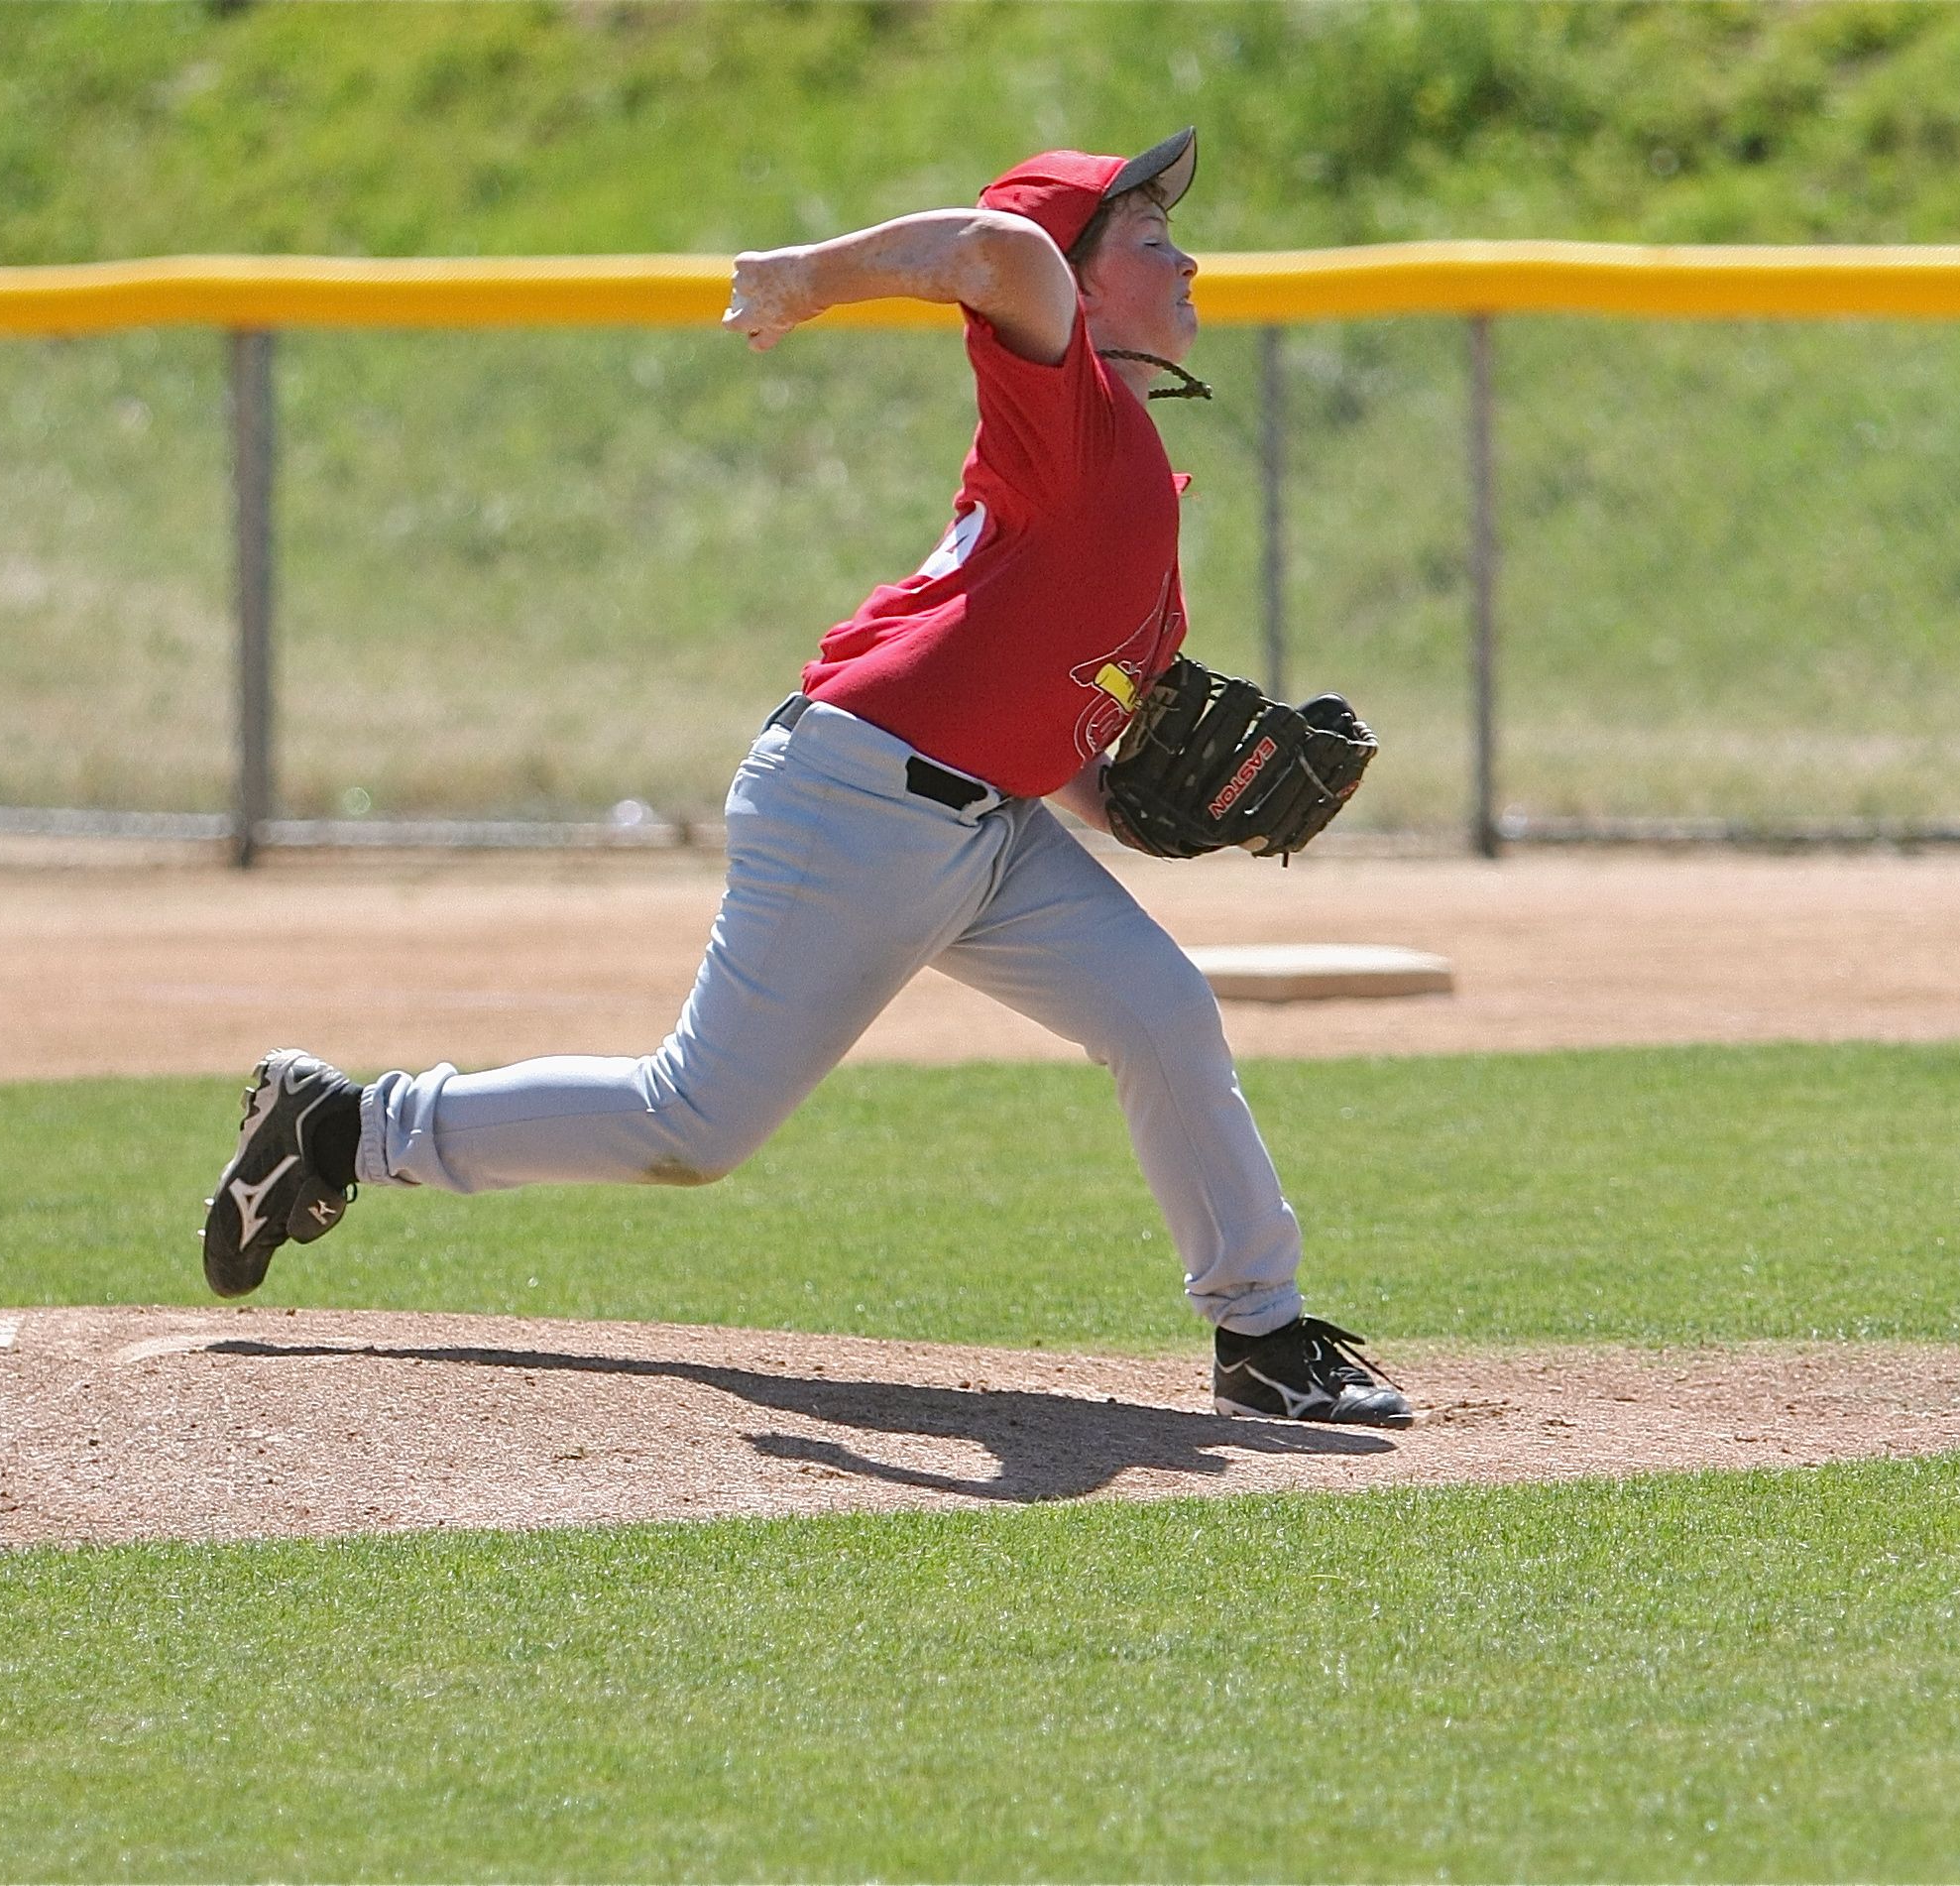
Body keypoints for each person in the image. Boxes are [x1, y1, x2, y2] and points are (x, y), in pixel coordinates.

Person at [202, 128, 1412, 1428]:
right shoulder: (1064, 407)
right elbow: (995, 247)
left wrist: (1127, 810)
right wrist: (804, 278)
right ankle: (345, 1127)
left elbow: (1050, 705)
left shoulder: (1129, 479)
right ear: (1078, 282)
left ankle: (1262, 1336)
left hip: (983, 827)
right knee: (692, 1123)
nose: (1188, 262)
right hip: (859, 797)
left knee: (1162, 1011)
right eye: (1153, 239)